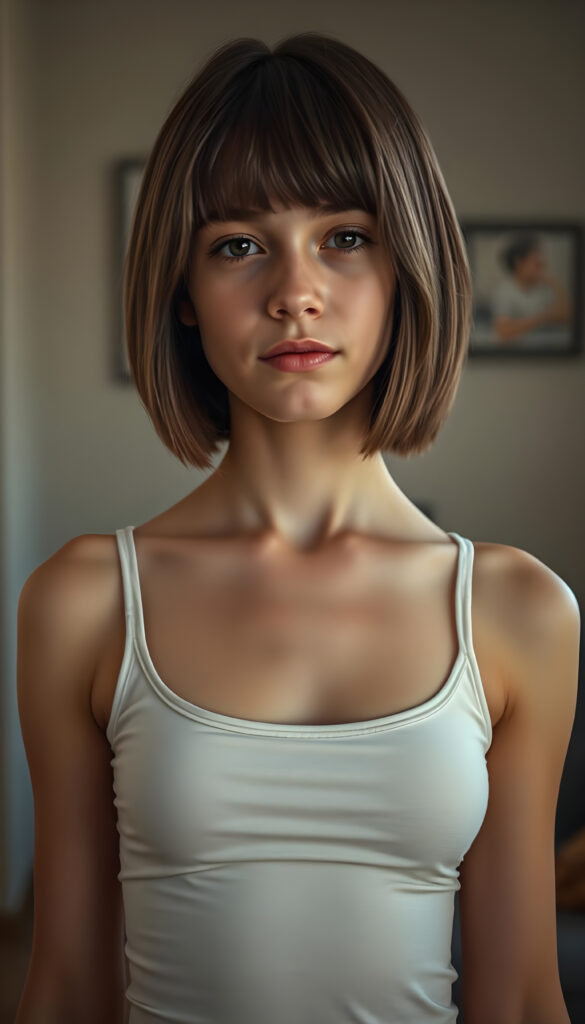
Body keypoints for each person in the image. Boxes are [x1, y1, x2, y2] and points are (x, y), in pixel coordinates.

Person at [14, 31, 580, 1024]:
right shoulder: (86, 599)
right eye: (238, 244)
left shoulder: (519, 608)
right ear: (183, 295)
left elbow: (525, 996)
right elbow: (63, 982)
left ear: (409, 267)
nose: (294, 291)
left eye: (346, 235)